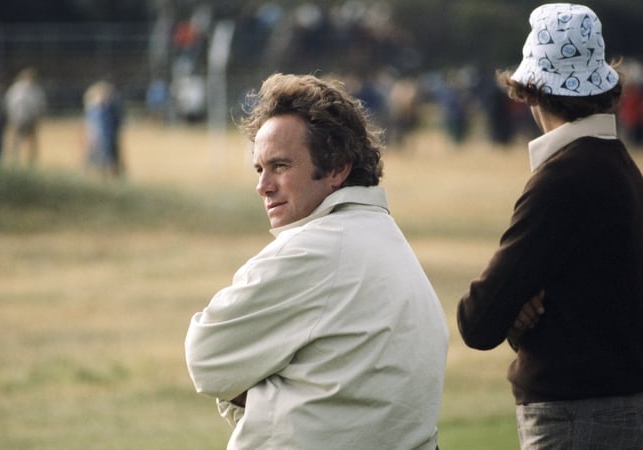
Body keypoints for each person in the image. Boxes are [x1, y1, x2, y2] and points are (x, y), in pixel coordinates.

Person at [185, 73, 449, 450]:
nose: (263, 185)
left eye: (280, 166)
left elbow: (205, 358)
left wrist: (268, 397)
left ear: (338, 168)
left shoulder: (314, 248)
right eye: (259, 169)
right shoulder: (386, 238)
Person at [457, 4, 643, 449]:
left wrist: (513, 309)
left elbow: (478, 321)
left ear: (530, 89)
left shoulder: (563, 178)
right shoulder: (618, 165)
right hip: (616, 414)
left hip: (576, 420)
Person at [3, 67, 46, 165]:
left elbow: (41, 105)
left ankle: (32, 162)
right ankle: (14, 161)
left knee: (31, 143)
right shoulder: (16, 89)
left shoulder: (36, 90)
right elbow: (9, 104)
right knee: (16, 142)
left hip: (31, 120)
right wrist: (11, 118)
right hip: (18, 119)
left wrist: (38, 118)